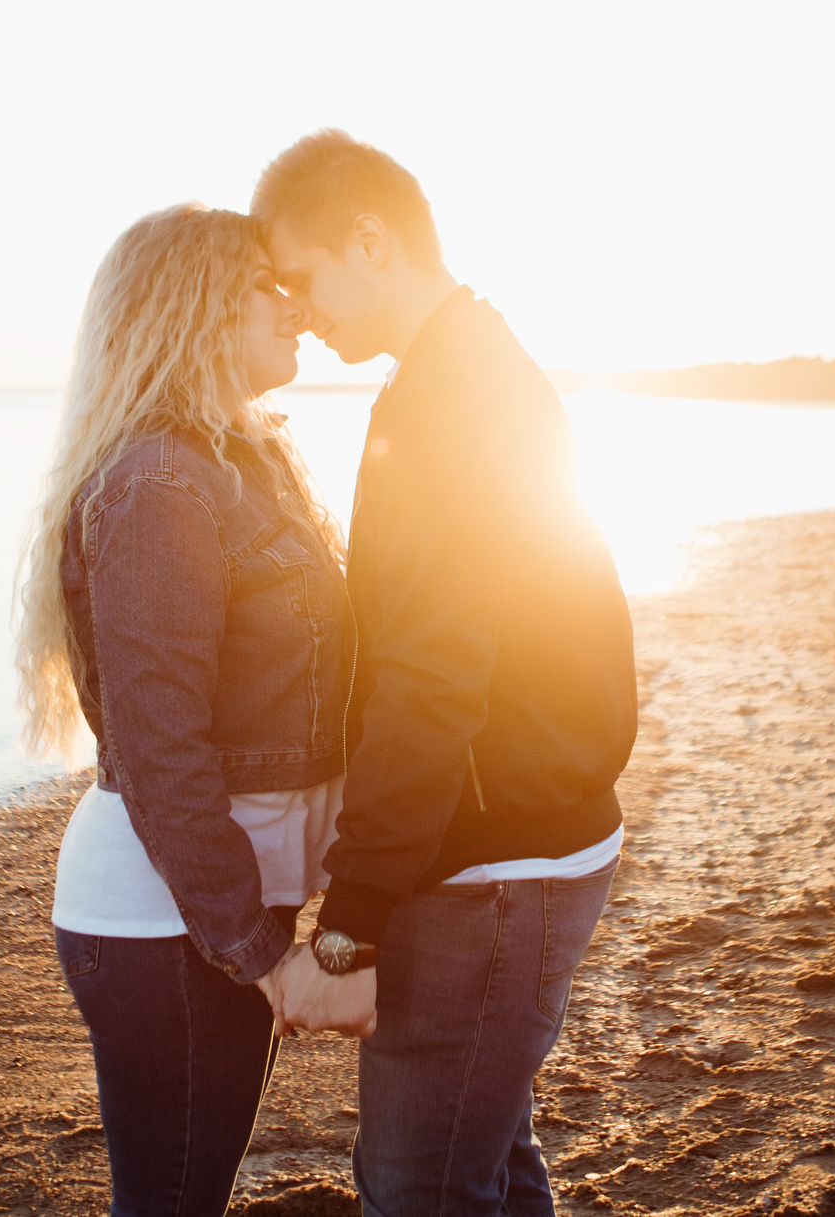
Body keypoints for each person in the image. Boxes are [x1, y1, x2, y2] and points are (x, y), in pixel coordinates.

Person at [250, 130, 638, 1216]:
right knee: (488, 1161)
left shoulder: (446, 395)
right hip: (528, 835)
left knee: (420, 1188)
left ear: (369, 241)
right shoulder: (467, 361)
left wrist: (350, 916)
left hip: (494, 868)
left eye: (303, 276)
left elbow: (431, 672)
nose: (299, 309)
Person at [15, 203, 359, 1217]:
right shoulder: (159, 481)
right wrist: (262, 953)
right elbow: (160, 750)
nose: (296, 307)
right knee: (170, 1202)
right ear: (201, 307)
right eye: (271, 284)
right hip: (165, 916)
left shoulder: (242, 462)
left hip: (214, 906)